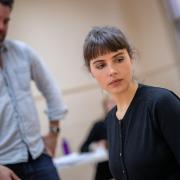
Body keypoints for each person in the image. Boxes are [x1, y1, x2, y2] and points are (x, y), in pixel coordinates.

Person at [83, 26, 180, 180]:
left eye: (119, 59)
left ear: (131, 58)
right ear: (91, 72)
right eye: (101, 65)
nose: (112, 71)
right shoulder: (110, 120)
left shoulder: (161, 103)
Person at [0, 0, 68, 179]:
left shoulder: (22, 52)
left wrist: (53, 133)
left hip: (39, 157)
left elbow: (51, 90)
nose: (1, 27)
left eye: (6, 21)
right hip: (4, 165)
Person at [80, 97, 114, 180]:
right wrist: (95, 145)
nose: (114, 105)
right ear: (105, 106)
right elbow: (83, 148)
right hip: (105, 170)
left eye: (116, 102)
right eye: (111, 103)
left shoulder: (129, 123)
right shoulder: (99, 125)